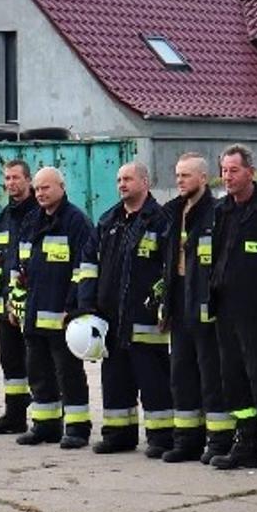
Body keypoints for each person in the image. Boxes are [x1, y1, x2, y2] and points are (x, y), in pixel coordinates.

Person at [209, 145, 257, 472]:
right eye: (225, 171)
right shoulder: (222, 209)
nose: (228, 177)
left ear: (251, 172)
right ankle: (246, 443)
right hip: (225, 306)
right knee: (233, 377)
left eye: (234, 170)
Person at [92, 161, 174, 456]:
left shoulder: (162, 220)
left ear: (145, 182)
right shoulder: (108, 221)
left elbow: (170, 269)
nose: (122, 184)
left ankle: (161, 437)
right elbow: (93, 267)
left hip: (146, 318)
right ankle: (118, 435)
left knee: (154, 380)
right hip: (112, 318)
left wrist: (165, 304)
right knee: (115, 379)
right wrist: (89, 306)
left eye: (128, 179)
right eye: (118, 180)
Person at [12, 166, 97, 449]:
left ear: (61, 186)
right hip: (34, 315)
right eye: (37, 189)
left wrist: (73, 310)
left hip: (62, 318)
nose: (40, 193)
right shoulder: (31, 221)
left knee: (69, 375)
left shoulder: (76, 222)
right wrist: (16, 300)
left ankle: (77, 428)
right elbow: (19, 267)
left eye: (46, 187)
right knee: (38, 374)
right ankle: (45, 426)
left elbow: (83, 271)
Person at [160, 153, 231, 464]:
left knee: (210, 375)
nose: (180, 181)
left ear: (204, 178)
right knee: (181, 374)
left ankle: (220, 441)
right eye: (177, 175)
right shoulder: (173, 213)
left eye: (186, 175)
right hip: (178, 301)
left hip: (205, 302)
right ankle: (187, 440)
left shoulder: (216, 213)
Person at [0, 160, 40, 435]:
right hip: (7, 303)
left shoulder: (40, 213)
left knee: (40, 363)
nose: (11, 183)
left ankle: (48, 418)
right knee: (11, 362)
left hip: (34, 303)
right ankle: (15, 415)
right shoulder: (3, 217)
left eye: (16, 177)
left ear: (28, 180)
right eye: (7, 178)